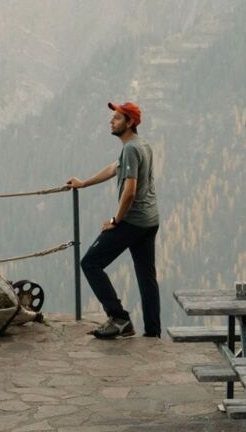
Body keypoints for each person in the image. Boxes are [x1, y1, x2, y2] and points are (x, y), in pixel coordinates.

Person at [63, 101, 161, 339]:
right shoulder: (141, 145)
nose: (111, 121)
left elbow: (129, 191)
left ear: (130, 122)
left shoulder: (130, 149)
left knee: (90, 263)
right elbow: (113, 168)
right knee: (146, 277)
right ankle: (152, 332)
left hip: (132, 222)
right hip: (149, 220)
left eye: (117, 118)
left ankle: (119, 318)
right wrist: (84, 183)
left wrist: (115, 221)